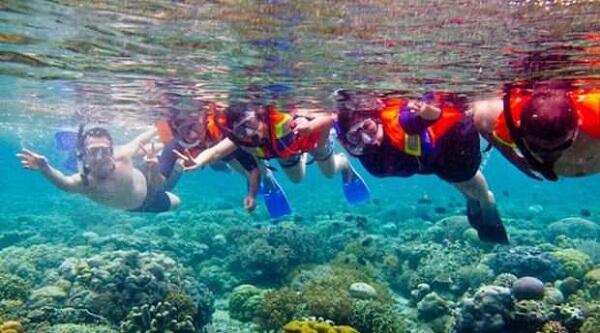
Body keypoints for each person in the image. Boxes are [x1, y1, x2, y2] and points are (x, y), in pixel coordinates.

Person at [335, 90, 508, 244]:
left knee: (461, 176)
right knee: (449, 175)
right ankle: (473, 198)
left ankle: (486, 201)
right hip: (424, 159)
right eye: (355, 136)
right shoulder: (352, 136)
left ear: (376, 118)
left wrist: (429, 109)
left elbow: (427, 116)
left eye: (367, 127)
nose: (366, 139)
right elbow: (328, 121)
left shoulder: (400, 121)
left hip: (448, 143)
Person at [178, 102, 370, 205]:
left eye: (250, 125)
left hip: (314, 140)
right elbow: (215, 151)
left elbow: (329, 118)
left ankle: (344, 164)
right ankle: (288, 163)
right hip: (289, 151)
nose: (249, 134)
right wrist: (197, 162)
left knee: (329, 173)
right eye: (241, 130)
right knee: (297, 179)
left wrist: (310, 127)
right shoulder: (243, 138)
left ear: (260, 117)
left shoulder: (283, 122)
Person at [17, 126, 180, 213]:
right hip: (142, 204)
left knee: (164, 149)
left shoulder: (121, 153)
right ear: (84, 154)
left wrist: (161, 125)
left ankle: (181, 160)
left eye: (104, 150)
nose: (99, 156)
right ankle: (177, 169)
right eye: (93, 151)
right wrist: (45, 167)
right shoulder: (86, 181)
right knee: (176, 202)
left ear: (111, 149)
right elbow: (65, 184)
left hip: (146, 176)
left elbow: (139, 141)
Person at [470, 79, 600, 180]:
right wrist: (511, 156)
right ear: (519, 128)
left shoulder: (595, 117)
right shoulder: (504, 123)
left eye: (564, 145)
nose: (549, 157)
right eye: (536, 148)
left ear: (579, 122)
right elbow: (480, 115)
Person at [155, 94, 263, 212]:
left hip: (223, 154)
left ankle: (266, 180)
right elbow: (162, 178)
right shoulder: (174, 145)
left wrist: (251, 194)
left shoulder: (221, 133)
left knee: (242, 167)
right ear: (175, 127)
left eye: (195, 126)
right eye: (183, 128)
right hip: (205, 156)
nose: (192, 135)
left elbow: (252, 168)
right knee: (217, 164)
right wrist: (152, 170)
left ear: (205, 119)